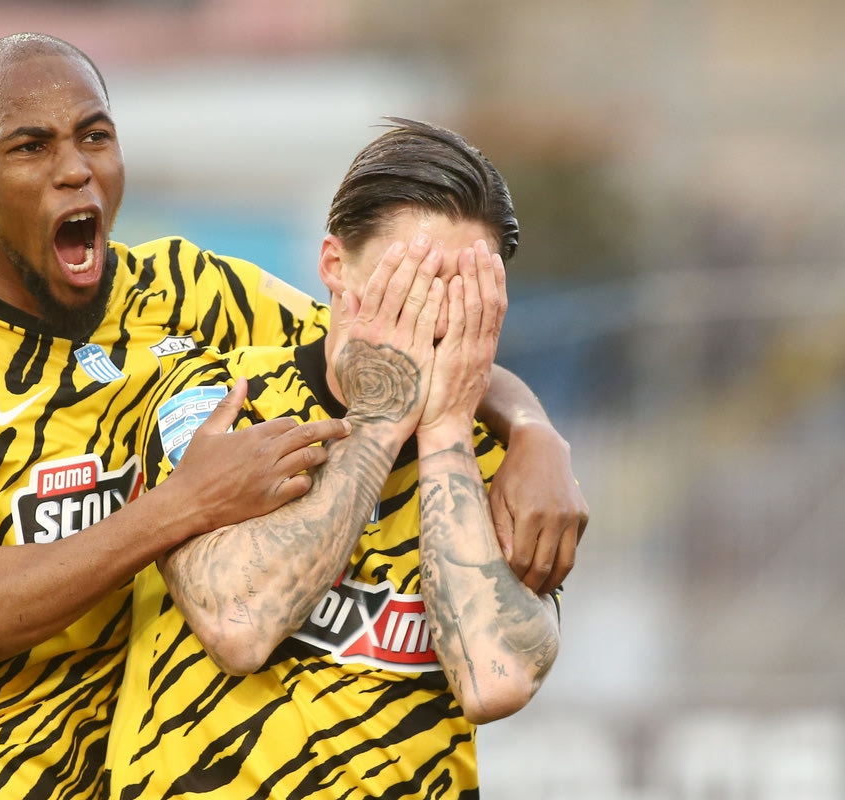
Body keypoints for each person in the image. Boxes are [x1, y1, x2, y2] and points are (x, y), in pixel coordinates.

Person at [0, 32, 585, 799]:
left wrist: (533, 433)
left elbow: (389, 344)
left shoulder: (192, 292)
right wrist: (182, 506)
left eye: (95, 137)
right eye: (31, 147)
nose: (74, 169)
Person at [108, 119, 561, 799]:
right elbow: (238, 627)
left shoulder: (502, 458)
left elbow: (495, 682)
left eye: (461, 293)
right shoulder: (219, 399)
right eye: (407, 282)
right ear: (333, 266)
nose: (431, 317)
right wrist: (380, 423)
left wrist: (447, 431)